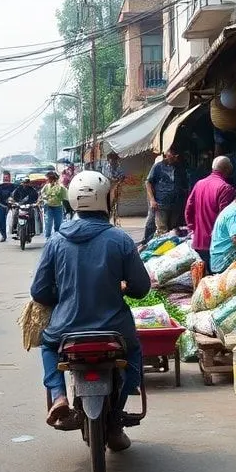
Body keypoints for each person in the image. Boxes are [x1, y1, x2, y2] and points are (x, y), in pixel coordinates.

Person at [30, 170, 148, 451]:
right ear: (105, 200)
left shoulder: (56, 240)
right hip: (114, 329)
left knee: (48, 346)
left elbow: (39, 291)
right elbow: (141, 287)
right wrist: (123, 288)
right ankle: (117, 416)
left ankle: (58, 395)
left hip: (65, 329)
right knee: (133, 352)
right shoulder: (120, 240)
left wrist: (62, 295)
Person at [184, 156, 236, 266]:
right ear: (227, 169)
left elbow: (188, 209)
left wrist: (193, 229)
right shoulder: (225, 188)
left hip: (198, 242)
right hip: (216, 245)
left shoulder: (199, 184)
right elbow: (226, 218)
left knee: (202, 274)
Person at [145, 147, 187, 243]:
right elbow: (148, 182)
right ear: (167, 154)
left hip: (176, 204)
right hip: (161, 204)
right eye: (172, 155)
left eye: (176, 156)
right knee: (162, 230)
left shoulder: (179, 168)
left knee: (173, 230)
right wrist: (152, 200)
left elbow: (184, 185)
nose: (174, 158)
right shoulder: (158, 167)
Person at [39, 171, 68, 240]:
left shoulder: (60, 187)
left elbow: (65, 197)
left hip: (58, 207)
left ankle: (57, 238)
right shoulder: (46, 186)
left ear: (52, 179)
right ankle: (48, 238)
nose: (47, 180)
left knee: (58, 224)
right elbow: (42, 193)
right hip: (48, 207)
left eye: (48, 178)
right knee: (48, 223)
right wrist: (44, 198)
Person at [101, 151, 125, 224]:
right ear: (109, 159)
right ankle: (107, 218)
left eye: (114, 159)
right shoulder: (105, 166)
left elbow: (122, 176)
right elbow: (105, 176)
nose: (113, 161)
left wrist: (118, 181)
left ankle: (114, 219)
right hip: (107, 187)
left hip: (115, 186)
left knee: (114, 204)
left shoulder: (118, 166)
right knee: (107, 204)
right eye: (111, 159)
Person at [0, 171, 17, 242]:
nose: (5, 179)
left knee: (18, 216)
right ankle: (3, 235)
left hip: (12, 205)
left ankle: (18, 232)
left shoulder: (14, 186)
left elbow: (18, 194)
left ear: (10, 178)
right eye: (4, 177)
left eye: (7, 177)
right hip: (2, 205)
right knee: (1, 221)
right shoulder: (0, 186)